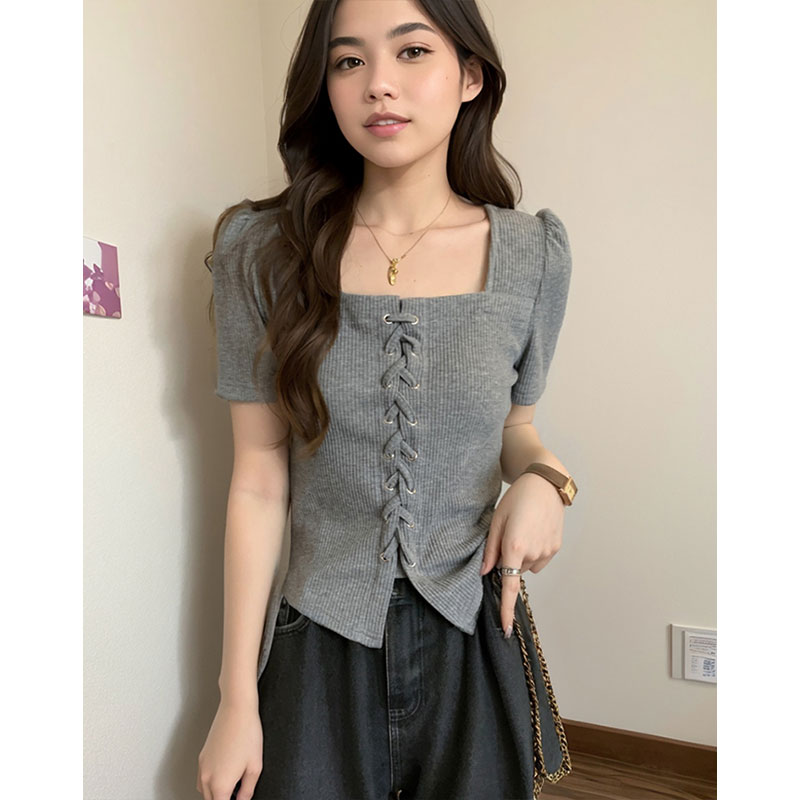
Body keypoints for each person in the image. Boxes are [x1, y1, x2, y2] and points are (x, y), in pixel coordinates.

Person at [197, 0, 578, 798]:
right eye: (348, 61)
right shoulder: (260, 253)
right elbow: (258, 480)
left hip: (473, 629)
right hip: (316, 635)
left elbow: (518, 428)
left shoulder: (531, 254)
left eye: (411, 52)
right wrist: (236, 698)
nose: (378, 84)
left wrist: (547, 481)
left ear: (470, 76)